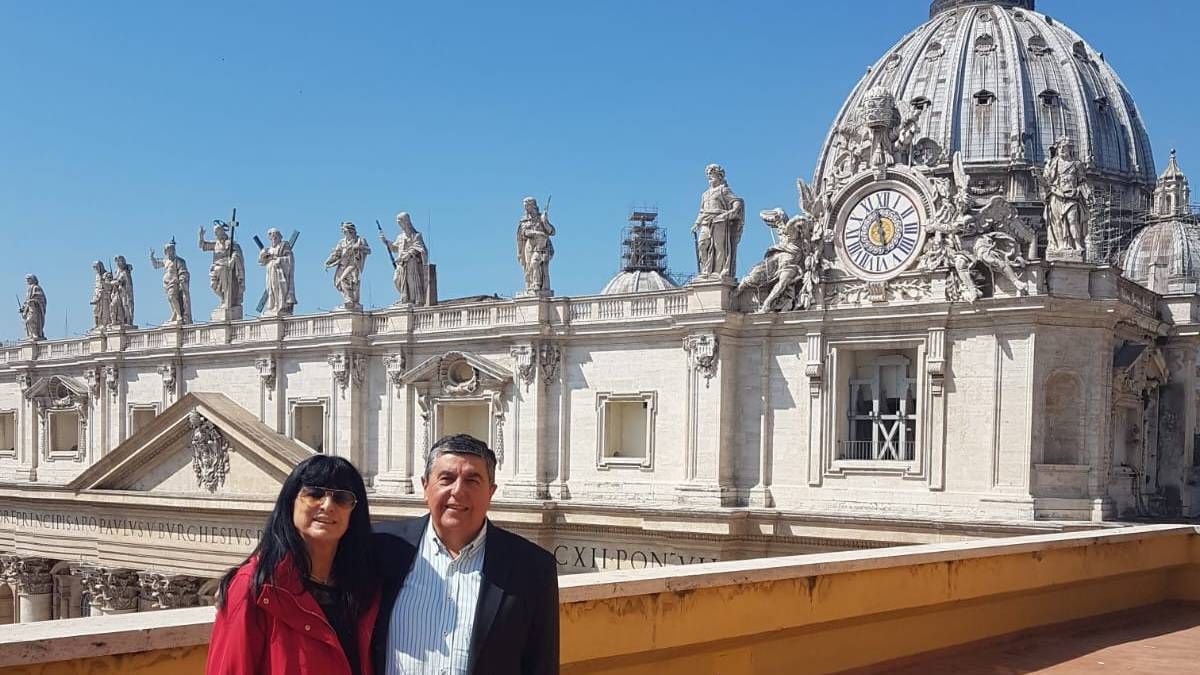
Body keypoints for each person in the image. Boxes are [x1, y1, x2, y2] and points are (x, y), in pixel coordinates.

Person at [372, 434, 559, 675]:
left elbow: (541, 666)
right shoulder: (383, 547)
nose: (458, 491)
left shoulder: (532, 567)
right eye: (446, 478)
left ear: (491, 492)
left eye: (472, 480)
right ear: (425, 487)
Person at [207, 455, 379, 675]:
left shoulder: (363, 588)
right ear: (291, 501)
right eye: (314, 493)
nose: (327, 505)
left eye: (341, 498)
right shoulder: (254, 588)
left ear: (354, 511)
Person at [379, 212, 429, 306]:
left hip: (411, 262)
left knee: (411, 281)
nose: (400, 225)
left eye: (400, 222)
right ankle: (404, 297)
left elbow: (420, 248)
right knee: (397, 279)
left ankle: (411, 300)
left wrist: (409, 254)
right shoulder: (400, 237)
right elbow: (394, 248)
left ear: (406, 222)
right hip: (401, 263)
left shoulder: (416, 235)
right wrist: (385, 242)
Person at [325, 221, 372, 309]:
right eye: (342, 231)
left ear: (351, 231)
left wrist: (359, 247)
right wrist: (328, 262)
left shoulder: (360, 240)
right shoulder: (341, 242)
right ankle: (349, 300)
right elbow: (336, 254)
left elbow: (369, 250)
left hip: (353, 264)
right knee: (337, 283)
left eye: (345, 231)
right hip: (342, 265)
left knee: (344, 280)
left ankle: (350, 300)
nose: (343, 232)